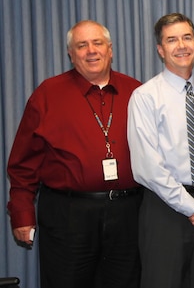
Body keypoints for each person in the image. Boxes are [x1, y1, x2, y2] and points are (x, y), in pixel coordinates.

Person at [6, 20, 142, 288]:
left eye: (97, 43)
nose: (91, 51)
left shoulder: (137, 92)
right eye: (82, 45)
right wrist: (22, 213)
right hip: (68, 216)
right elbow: (24, 163)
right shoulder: (48, 94)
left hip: (128, 215)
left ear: (110, 49)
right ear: (71, 53)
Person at [128, 12, 194, 288]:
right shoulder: (145, 97)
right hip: (165, 211)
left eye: (187, 37)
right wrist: (193, 208)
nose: (181, 46)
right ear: (160, 49)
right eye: (172, 40)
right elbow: (148, 167)